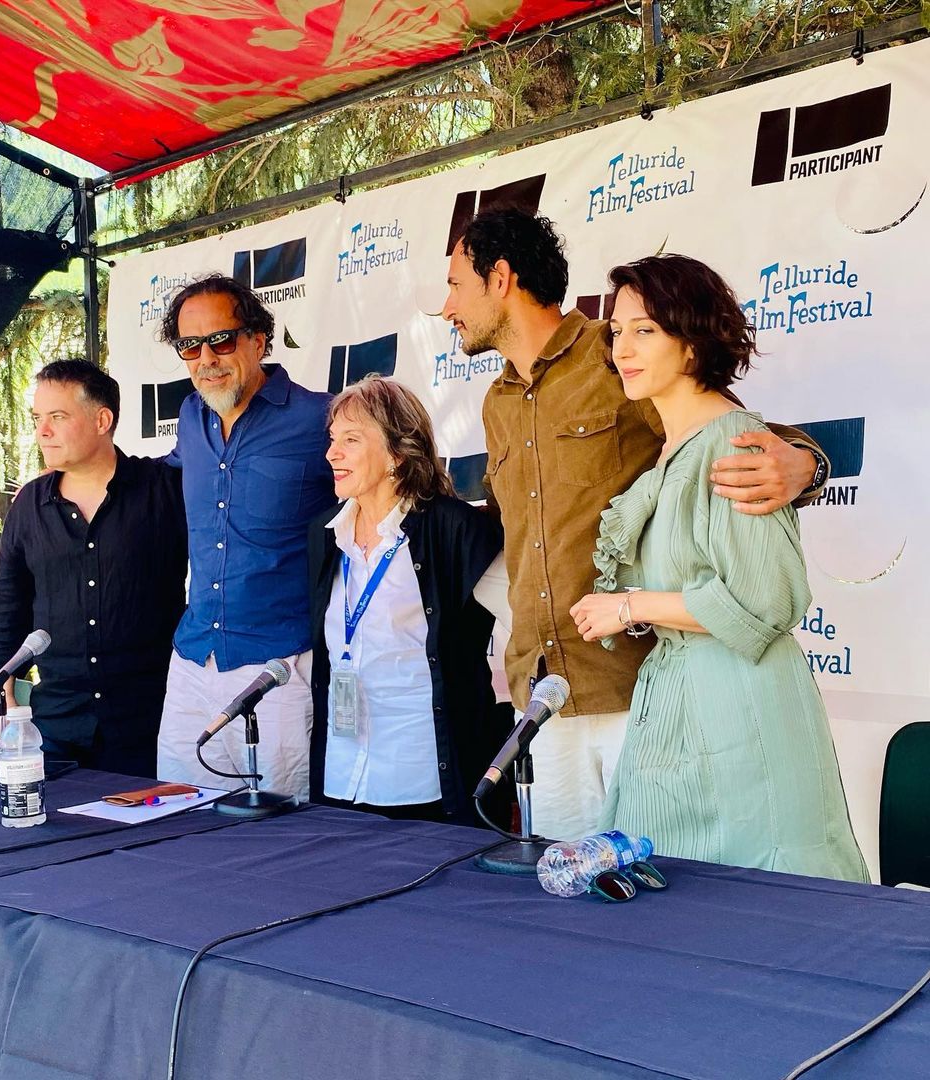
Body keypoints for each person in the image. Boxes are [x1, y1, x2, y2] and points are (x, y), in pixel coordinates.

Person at [442, 208, 830, 841]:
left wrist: (807, 463)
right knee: (568, 879)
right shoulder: (497, 402)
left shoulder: (614, 356)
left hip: (633, 688)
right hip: (543, 696)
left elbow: (726, 433)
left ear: (502, 279)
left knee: (658, 877)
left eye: (456, 286)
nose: (446, 307)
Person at [569, 255, 867, 880]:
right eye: (617, 331)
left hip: (741, 707)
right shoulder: (674, 448)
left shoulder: (734, 446)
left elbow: (762, 601)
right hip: (682, 702)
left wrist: (629, 606)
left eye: (645, 330)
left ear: (692, 341)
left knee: (758, 898)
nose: (623, 348)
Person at [155, 273, 336, 797]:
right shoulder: (191, 415)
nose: (206, 358)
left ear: (258, 339)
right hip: (193, 658)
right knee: (179, 815)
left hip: (279, 665)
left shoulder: (321, 418)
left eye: (221, 340)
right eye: (190, 346)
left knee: (278, 824)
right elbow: (159, 477)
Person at [307, 376, 507, 824]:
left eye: (351, 440)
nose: (332, 453)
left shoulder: (454, 529)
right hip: (341, 771)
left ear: (397, 452)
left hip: (420, 776)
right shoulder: (325, 533)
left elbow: (521, 619)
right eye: (333, 439)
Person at [0, 359, 187, 778]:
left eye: (58, 417)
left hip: (152, 722)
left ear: (102, 420)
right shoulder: (29, 505)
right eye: (38, 418)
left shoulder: (163, 489)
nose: (43, 431)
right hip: (56, 724)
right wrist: (0, 694)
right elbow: (10, 610)